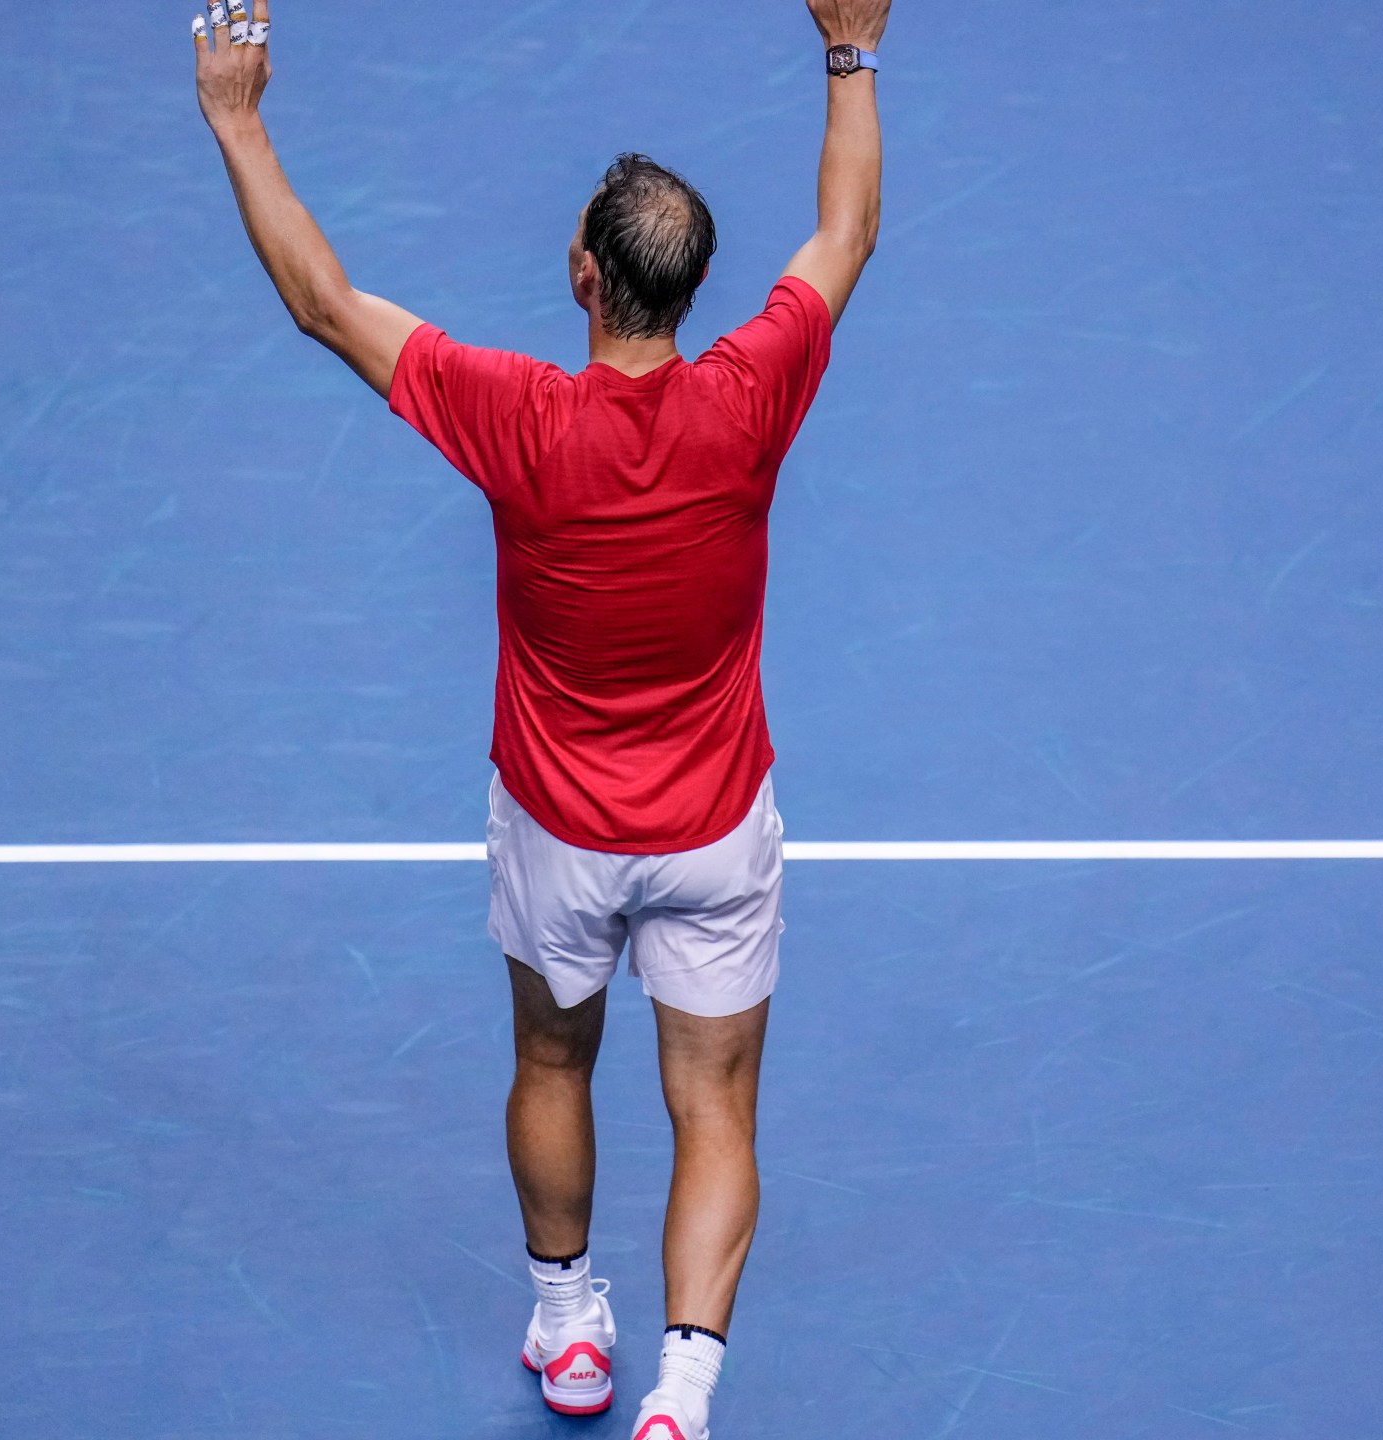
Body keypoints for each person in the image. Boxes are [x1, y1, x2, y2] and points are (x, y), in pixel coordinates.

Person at [193, 1, 888, 1433]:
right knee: (715, 1108)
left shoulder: (516, 418)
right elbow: (846, 236)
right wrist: (851, 50)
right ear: (694, 292)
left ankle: (572, 1329)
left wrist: (239, 119)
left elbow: (325, 301)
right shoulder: (753, 397)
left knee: (552, 1059)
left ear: (583, 275)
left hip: (562, 836)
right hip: (711, 835)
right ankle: (682, 1397)